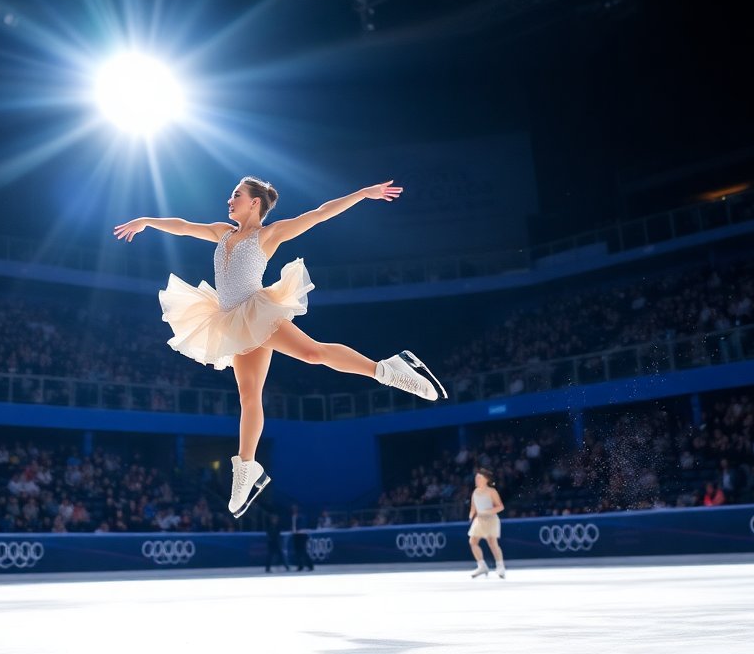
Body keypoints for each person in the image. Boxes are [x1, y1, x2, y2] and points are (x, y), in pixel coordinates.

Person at [115, 178, 447, 517]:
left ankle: (391, 369)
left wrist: (362, 194)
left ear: (255, 203)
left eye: (237, 195)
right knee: (248, 395)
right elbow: (184, 227)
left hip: (257, 311)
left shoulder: (268, 235)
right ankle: (247, 469)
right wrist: (147, 222)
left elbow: (319, 214)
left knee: (313, 352)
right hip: (231, 320)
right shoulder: (221, 232)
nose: (230, 200)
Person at [467, 468, 505, 579]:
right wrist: (471, 516)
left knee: (492, 543)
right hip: (479, 520)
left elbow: (500, 507)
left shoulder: (491, 491)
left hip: (491, 519)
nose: (476, 479)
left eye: (479, 477)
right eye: (476, 477)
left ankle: (500, 567)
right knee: (473, 541)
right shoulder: (475, 492)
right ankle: (482, 566)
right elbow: (473, 508)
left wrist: (487, 512)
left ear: (485, 479)